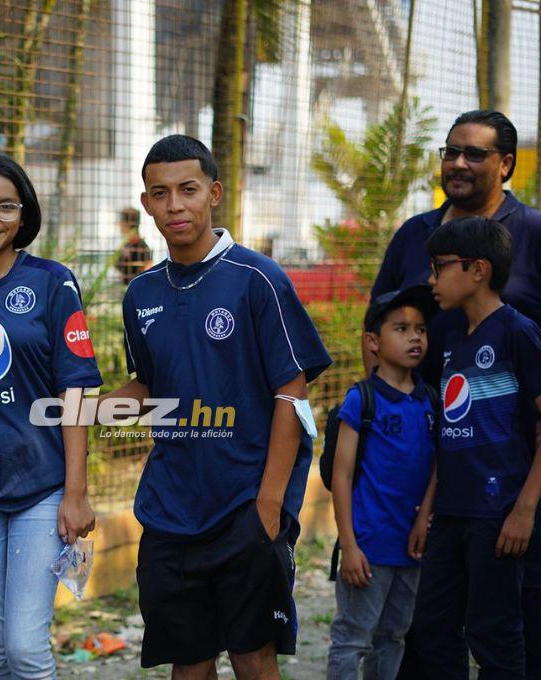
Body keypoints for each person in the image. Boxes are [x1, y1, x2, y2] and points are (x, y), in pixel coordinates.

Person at [102, 134, 331, 679]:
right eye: (160, 193)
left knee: (254, 656)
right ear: (147, 203)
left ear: (214, 193)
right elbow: (150, 389)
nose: (174, 205)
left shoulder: (258, 279)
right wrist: (80, 410)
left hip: (246, 507)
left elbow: (291, 396)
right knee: (189, 661)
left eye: (187, 189)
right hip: (171, 510)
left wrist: (270, 506)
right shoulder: (142, 294)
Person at [369, 109, 541, 680]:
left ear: (506, 165)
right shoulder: (414, 237)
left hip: (518, 465)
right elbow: (376, 330)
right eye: (451, 152)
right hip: (437, 464)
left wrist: (527, 500)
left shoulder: (538, 238)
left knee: (516, 612)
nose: (458, 163)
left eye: (474, 153)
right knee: (426, 618)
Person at [0, 153, 101, 678]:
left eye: (6, 206)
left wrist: (76, 491)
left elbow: (75, 390)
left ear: (24, 213)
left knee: (25, 647)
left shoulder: (54, 282)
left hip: (42, 487)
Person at [411, 216, 541, 678]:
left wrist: (525, 508)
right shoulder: (452, 339)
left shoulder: (517, 331)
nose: (432, 280)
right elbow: (449, 435)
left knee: (495, 635)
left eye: (440, 267)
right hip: (451, 512)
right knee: (433, 629)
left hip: (497, 513)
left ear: (478, 270)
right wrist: (428, 510)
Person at [326, 286, 439, 680]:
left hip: (411, 549)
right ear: (373, 342)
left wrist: (424, 517)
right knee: (352, 638)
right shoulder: (362, 400)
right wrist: (350, 545)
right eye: (402, 328)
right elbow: (341, 475)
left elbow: (437, 463)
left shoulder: (429, 400)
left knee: (393, 636)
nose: (415, 338)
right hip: (369, 547)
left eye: (421, 330)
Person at [114, 206, 152, 284]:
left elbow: (147, 270)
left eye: (121, 221)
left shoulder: (141, 246)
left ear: (126, 224)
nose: (119, 224)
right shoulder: (127, 244)